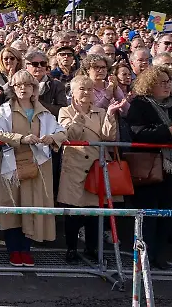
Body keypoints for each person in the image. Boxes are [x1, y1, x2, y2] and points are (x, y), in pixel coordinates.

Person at [0, 68, 66, 267]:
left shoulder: (45, 112)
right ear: (13, 88)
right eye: (18, 85)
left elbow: (61, 132)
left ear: (34, 89)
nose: (23, 88)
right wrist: (21, 139)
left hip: (38, 165)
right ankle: (14, 250)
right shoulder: (5, 109)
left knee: (32, 207)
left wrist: (52, 138)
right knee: (12, 207)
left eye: (28, 85)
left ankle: (26, 250)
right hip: (11, 163)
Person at [126, 66, 172, 268]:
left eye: (169, 81)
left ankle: (159, 255)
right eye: (162, 82)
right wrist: (170, 130)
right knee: (148, 215)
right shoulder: (140, 105)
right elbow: (139, 133)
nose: (167, 86)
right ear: (150, 85)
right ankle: (143, 255)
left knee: (167, 214)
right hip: (150, 168)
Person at [57, 75, 119, 263]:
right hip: (75, 166)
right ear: (73, 93)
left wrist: (110, 114)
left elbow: (109, 137)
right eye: (82, 89)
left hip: (96, 165)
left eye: (90, 89)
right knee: (73, 213)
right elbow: (71, 135)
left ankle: (92, 249)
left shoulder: (100, 112)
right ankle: (71, 249)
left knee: (94, 213)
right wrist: (78, 115)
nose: (86, 92)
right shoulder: (64, 111)